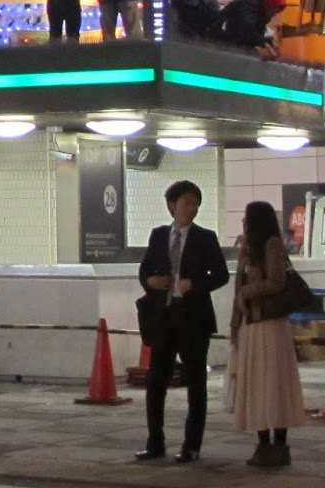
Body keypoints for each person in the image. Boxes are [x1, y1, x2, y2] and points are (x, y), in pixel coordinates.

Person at [136, 180, 230, 464]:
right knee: (156, 382)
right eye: (187, 202)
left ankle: (191, 445)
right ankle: (155, 442)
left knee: (196, 383)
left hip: (193, 318)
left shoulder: (205, 237)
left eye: (196, 203)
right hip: (164, 316)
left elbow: (221, 275)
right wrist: (151, 281)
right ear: (172, 205)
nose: (192, 208)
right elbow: (144, 270)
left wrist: (195, 284)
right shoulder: (158, 235)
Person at [229, 200, 309, 468]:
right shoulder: (247, 248)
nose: (243, 222)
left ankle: (279, 445)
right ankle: (263, 444)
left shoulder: (272, 245)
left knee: (274, 384)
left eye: (247, 217)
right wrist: (235, 324)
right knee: (256, 386)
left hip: (271, 325)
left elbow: (277, 281)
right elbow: (237, 288)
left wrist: (248, 292)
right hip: (251, 325)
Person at [214, 0, 287, 59]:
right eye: (273, 11)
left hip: (237, 41)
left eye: (276, 12)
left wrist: (269, 42)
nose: (274, 14)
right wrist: (264, 43)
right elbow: (247, 29)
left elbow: (255, 37)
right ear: (268, 5)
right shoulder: (250, 5)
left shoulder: (263, 14)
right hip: (223, 40)